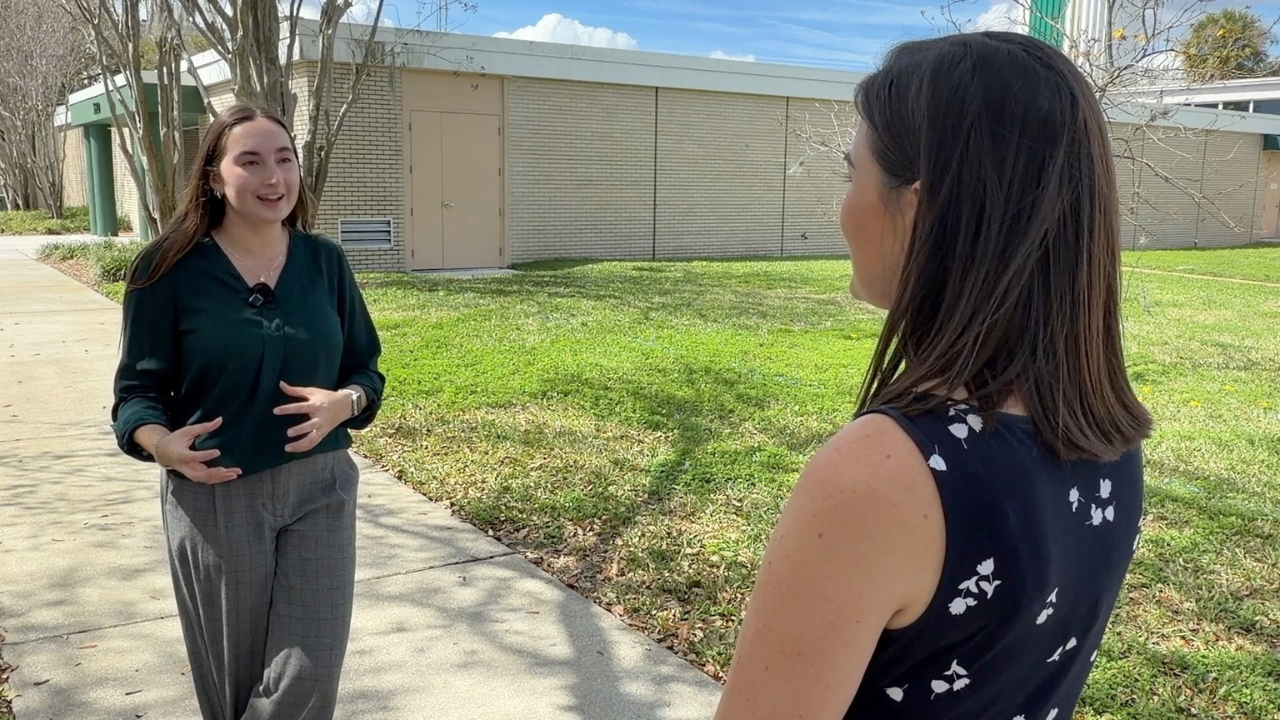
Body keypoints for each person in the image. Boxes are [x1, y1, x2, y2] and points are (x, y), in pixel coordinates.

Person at [712, 32, 1151, 720]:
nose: (842, 209)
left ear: (918, 207)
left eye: (850, 176)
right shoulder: (1109, 436)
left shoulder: (881, 472)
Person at [111, 103, 385, 720]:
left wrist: (345, 402)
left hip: (322, 488)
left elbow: (365, 369)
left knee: (310, 671)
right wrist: (161, 445)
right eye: (251, 161)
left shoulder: (324, 262)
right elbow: (135, 393)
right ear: (215, 177)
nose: (274, 177)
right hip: (216, 495)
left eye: (285, 159)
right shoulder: (167, 268)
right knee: (232, 685)